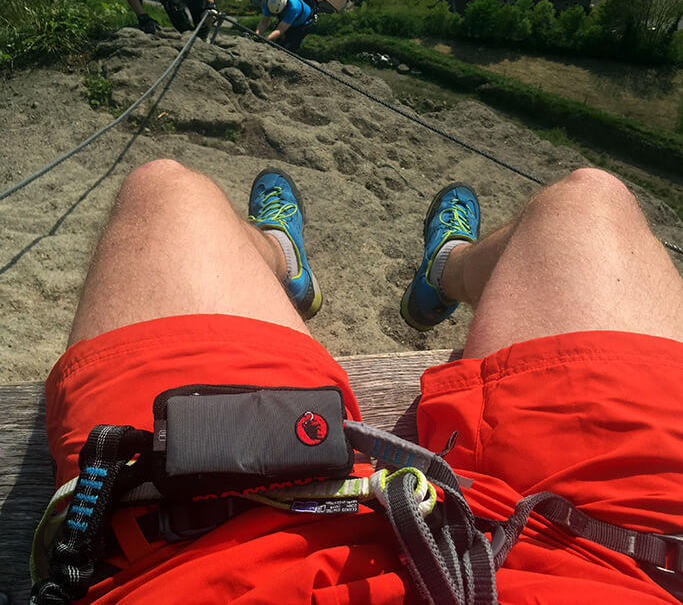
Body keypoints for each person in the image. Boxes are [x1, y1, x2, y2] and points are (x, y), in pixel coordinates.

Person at [41, 162, 683, 604]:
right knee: (588, 201)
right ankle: (447, 267)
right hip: (619, 563)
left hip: (212, 558)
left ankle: (281, 254)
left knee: (168, 194)